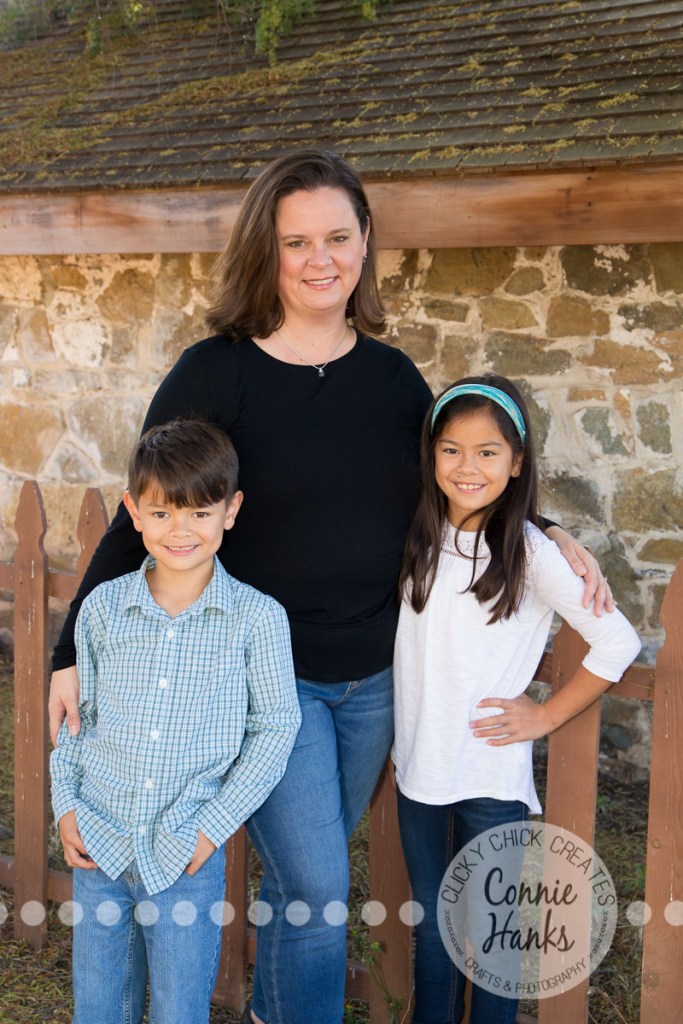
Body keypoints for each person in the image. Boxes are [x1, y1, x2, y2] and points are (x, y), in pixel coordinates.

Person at [49, 149, 612, 1024]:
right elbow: (146, 512)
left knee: (300, 881)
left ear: (364, 242)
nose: (321, 259)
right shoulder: (215, 372)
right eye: (296, 241)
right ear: (265, 252)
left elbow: (460, 485)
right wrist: (67, 651)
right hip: (270, 677)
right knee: (315, 884)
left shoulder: (391, 381)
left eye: (338, 238)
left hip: (375, 680)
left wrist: (548, 530)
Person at [393, 374, 641, 1024]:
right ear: (430, 455)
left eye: (486, 452)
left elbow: (616, 640)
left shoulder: (529, 552)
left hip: (488, 776)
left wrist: (546, 715)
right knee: (435, 928)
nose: (466, 467)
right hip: (419, 771)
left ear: (517, 462)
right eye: (450, 450)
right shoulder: (418, 532)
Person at [50, 419, 301, 1024]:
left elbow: (275, 728)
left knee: (178, 1009)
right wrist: (65, 805)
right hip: (100, 839)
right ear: (134, 511)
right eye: (162, 513)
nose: (180, 530)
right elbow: (79, 719)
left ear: (230, 511)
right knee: (99, 1004)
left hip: (184, 851)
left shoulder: (257, 619)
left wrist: (212, 828)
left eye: (199, 513)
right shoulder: (103, 609)